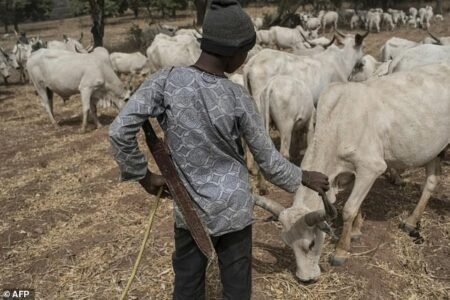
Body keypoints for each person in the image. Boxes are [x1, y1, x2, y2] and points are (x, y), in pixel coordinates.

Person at [109, 0, 329, 298]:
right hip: (235, 210)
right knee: (237, 286)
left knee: (187, 284)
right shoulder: (237, 96)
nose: (246, 58)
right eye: (246, 52)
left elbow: (119, 130)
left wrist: (144, 177)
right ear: (235, 51)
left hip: (189, 210)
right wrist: (304, 176)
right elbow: (268, 161)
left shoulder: (166, 81)